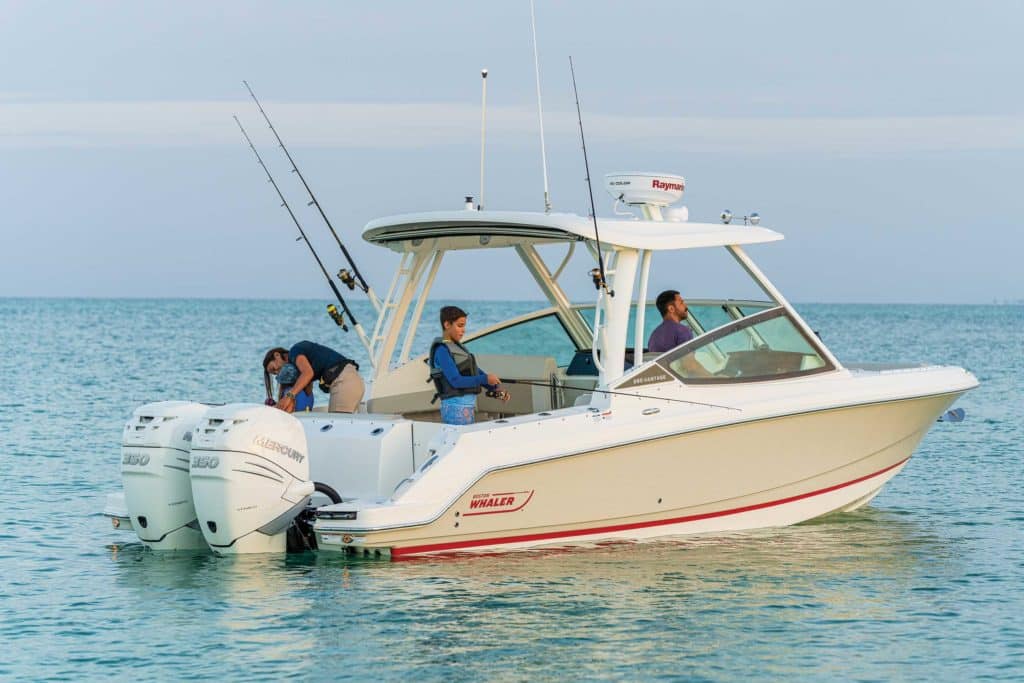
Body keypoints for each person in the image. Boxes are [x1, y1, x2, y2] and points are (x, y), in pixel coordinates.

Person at [429, 306, 509, 425]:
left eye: (464, 326)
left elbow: (475, 371)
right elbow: (456, 381)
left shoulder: (457, 349)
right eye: (460, 325)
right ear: (447, 325)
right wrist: (485, 378)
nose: (463, 330)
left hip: (466, 408)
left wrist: (495, 389)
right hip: (454, 410)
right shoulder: (442, 351)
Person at [263, 341, 364, 413]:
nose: (277, 372)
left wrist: (289, 396)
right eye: (274, 374)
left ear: (277, 355)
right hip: (351, 381)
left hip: (343, 381)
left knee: (336, 426)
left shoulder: (295, 351)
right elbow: (307, 391)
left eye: (274, 368)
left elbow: (308, 373)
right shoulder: (301, 367)